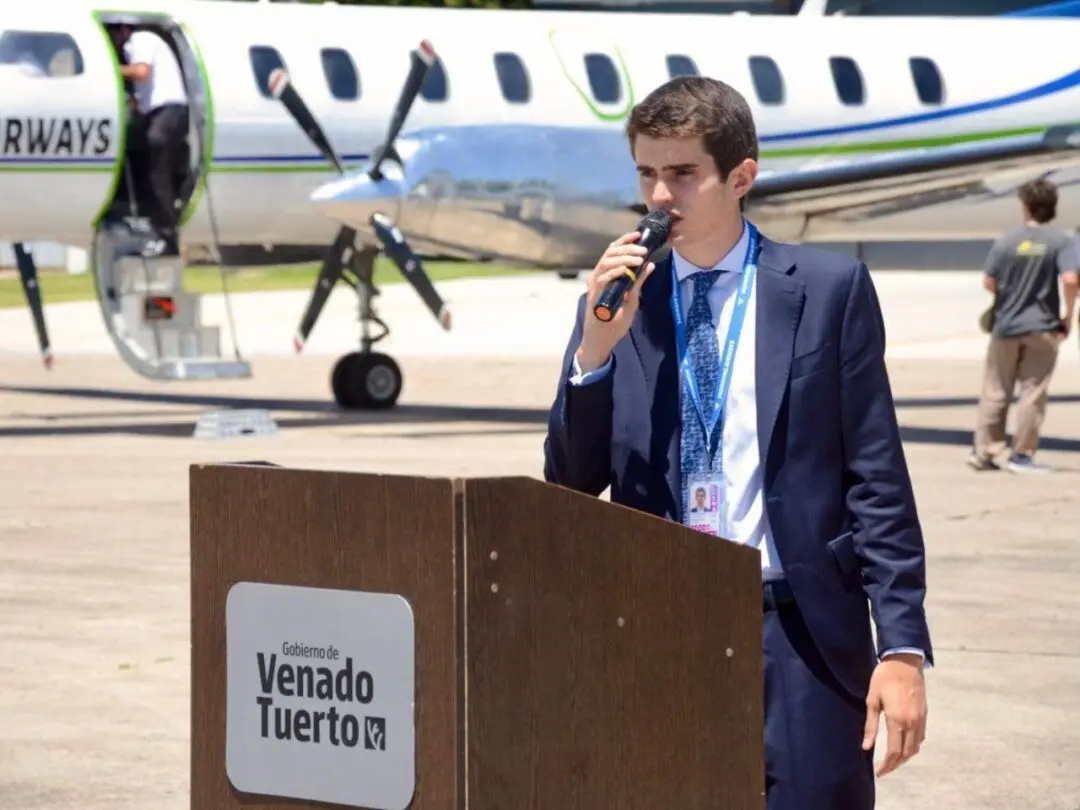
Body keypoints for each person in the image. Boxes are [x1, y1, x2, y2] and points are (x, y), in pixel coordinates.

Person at [543, 76, 932, 810]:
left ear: (741, 177)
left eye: (683, 173)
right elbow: (571, 480)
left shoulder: (828, 289)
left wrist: (902, 649)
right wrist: (593, 353)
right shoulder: (620, 301)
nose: (660, 196)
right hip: (657, 624)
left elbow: (876, 476)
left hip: (799, 629)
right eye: (647, 173)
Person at [968, 178, 1078, 474]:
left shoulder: (1007, 240)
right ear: (1052, 207)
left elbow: (989, 281)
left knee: (995, 390)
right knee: (1032, 393)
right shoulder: (1059, 241)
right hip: (1042, 328)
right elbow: (1070, 278)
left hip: (1006, 327)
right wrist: (1068, 315)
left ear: (1025, 206)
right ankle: (1022, 455)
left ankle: (986, 452)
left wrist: (1011, 295)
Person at [120, 28, 190, 257]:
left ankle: (167, 237)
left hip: (167, 111)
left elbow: (141, 72)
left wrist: (111, 69)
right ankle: (159, 224)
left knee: (158, 172)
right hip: (165, 112)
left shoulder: (139, 40)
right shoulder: (142, 44)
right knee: (153, 168)